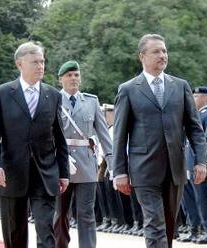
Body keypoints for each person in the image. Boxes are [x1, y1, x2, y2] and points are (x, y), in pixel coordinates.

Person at [112, 33, 207, 248]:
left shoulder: (180, 86)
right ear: (142, 56)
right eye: (156, 51)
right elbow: (119, 135)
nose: (162, 55)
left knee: (168, 225)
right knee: (155, 224)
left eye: (164, 51)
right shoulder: (128, 90)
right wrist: (119, 171)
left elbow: (195, 128)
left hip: (175, 169)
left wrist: (201, 161)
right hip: (144, 169)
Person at [0, 41, 69, 248]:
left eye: (42, 61)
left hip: (45, 173)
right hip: (11, 174)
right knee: (15, 233)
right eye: (34, 62)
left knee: (46, 230)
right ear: (19, 64)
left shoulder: (53, 95)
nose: (40, 66)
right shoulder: (2, 94)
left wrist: (64, 173)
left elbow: (59, 138)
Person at [53, 60, 113, 248]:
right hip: (61, 164)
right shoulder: (53, 100)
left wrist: (112, 161)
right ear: (60, 79)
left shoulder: (91, 101)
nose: (74, 78)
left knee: (86, 214)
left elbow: (104, 134)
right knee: (61, 213)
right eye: (69, 75)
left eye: (76, 75)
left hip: (86, 164)